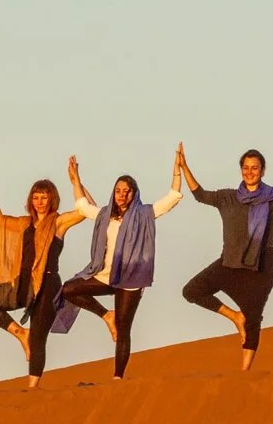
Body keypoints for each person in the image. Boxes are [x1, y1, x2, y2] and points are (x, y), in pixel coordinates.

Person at [52, 147, 188, 380]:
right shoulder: (105, 215)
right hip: (105, 275)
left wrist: (177, 170)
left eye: (127, 191)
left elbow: (172, 198)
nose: (122, 195)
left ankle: (118, 377)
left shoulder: (145, 213)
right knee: (69, 289)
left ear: (134, 194)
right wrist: (76, 180)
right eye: (118, 190)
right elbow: (83, 206)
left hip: (131, 279)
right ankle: (107, 316)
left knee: (124, 329)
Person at [180, 145, 273, 371]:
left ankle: (244, 372)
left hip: (262, 266)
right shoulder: (227, 198)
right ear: (241, 170)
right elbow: (199, 194)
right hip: (230, 263)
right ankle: (235, 317)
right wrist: (183, 167)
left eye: (255, 168)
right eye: (246, 168)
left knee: (253, 317)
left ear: (262, 171)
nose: (250, 172)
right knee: (191, 291)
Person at [0, 169, 89, 389]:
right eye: (36, 197)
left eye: (44, 197)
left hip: (47, 284)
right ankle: (20, 333)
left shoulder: (58, 223)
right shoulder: (24, 223)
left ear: (52, 198)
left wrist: (77, 182)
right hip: (22, 285)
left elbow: (84, 211)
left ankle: (32, 387)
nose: (39, 201)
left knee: (38, 339)